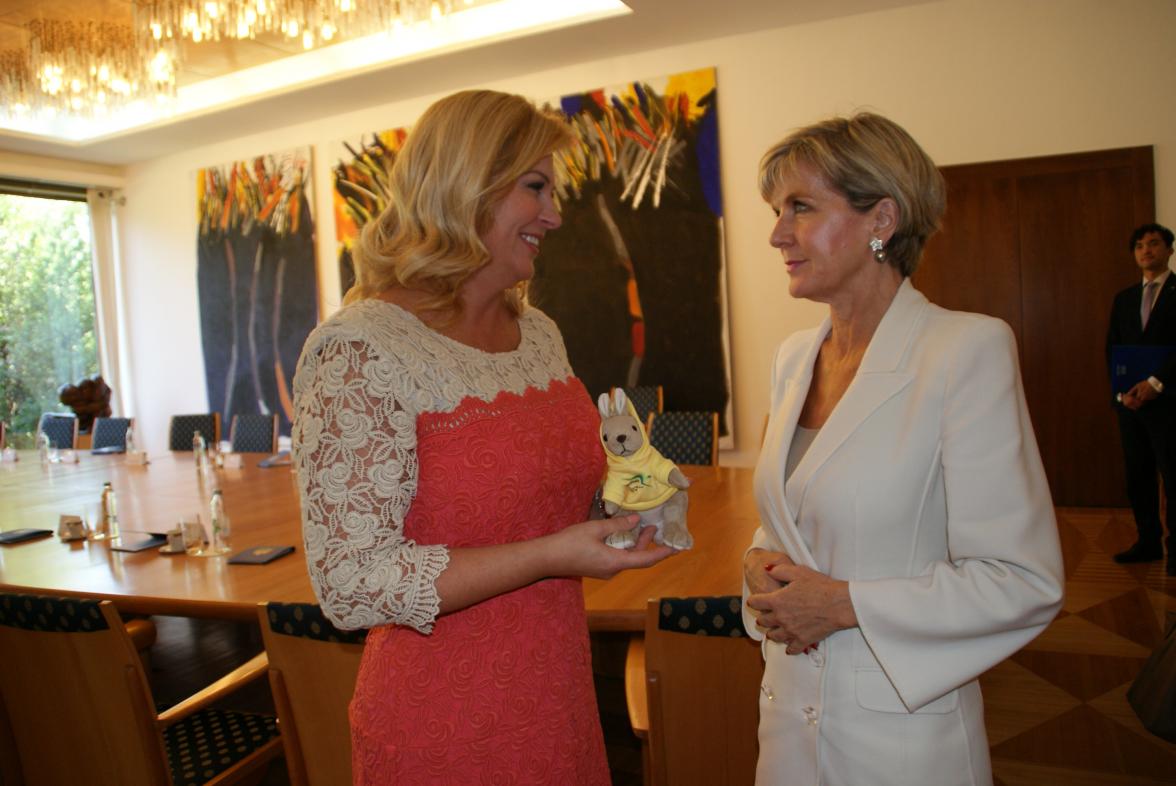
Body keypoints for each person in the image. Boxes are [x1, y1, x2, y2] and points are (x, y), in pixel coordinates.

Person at [291, 90, 675, 785]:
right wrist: (551, 553)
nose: (555, 215)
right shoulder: (360, 348)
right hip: (440, 725)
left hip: (556, 697)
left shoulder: (539, 334)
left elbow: (551, 507)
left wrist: (622, 507)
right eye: (535, 187)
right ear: (463, 187)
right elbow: (350, 585)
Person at [741, 113, 1064, 786]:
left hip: (900, 739)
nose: (776, 234)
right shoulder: (794, 357)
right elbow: (790, 518)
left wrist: (842, 604)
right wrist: (757, 563)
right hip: (785, 724)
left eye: (800, 207)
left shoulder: (964, 351)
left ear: (880, 218)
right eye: (777, 210)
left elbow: (1022, 579)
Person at [1106, 222, 1176, 575]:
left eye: (1153, 244)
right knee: (1139, 475)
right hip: (1131, 405)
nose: (1146, 251)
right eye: (1139, 246)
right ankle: (1147, 541)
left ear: (1169, 250)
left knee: (1173, 475)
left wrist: (1156, 383)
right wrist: (1122, 394)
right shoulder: (1125, 298)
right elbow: (1113, 349)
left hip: (1169, 401)